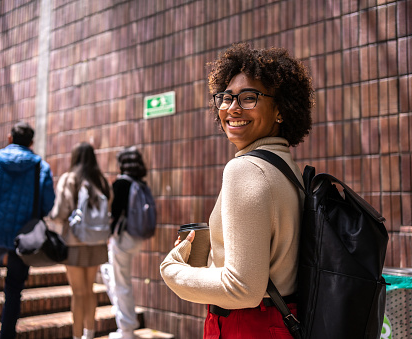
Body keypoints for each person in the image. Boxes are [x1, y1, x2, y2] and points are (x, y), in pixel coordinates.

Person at [160, 42, 314, 338]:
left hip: (245, 328)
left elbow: (243, 289)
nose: (232, 108)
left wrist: (172, 271)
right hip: (281, 324)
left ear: (280, 110)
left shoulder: (245, 169)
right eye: (226, 97)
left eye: (249, 98)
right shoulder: (288, 170)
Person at [0, 121, 55, 339]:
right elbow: (47, 204)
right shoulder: (40, 167)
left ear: (10, 138)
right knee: (15, 285)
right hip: (24, 236)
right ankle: (8, 332)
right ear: (31, 142)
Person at [49, 142, 112, 339]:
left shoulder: (69, 178)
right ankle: (89, 333)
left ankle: (77, 336)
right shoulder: (100, 180)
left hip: (74, 243)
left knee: (78, 292)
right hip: (97, 242)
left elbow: (60, 212)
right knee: (89, 290)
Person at [105, 146, 148, 339]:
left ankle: (126, 330)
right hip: (136, 238)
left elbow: (113, 214)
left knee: (120, 283)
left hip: (121, 238)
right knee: (119, 279)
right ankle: (126, 326)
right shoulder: (141, 184)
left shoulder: (121, 184)